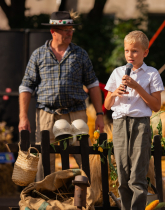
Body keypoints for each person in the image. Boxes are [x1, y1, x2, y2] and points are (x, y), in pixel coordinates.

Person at [18, 11, 104, 181]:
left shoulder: (80, 54)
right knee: (45, 160)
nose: (70, 33)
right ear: (53, 31)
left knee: (83, 155)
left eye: (71, 29)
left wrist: (100, 114)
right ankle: (47, 200)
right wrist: (22, 116)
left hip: (76, 113)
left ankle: (91, 197)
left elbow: (93, 85)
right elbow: (26, 86)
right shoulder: (38, 55)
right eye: (65, 29)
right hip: (46, 114)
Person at [104, 30, 164, 210]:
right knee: (122, 172)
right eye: (127, 51)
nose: (130, 55)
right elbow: (107, 104)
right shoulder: (117, 72)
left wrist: (136, 86)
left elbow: (156, 105)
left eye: (135, 51)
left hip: (140, 123)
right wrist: (115, 93)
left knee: (137, 172)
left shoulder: (152, 73)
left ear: (145, 52)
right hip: (120, 123)